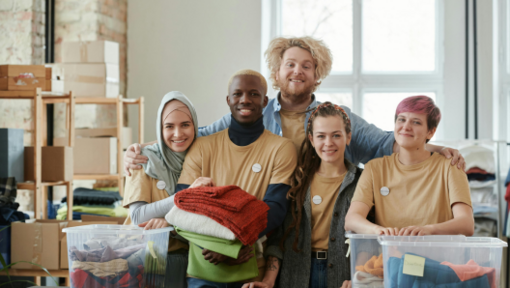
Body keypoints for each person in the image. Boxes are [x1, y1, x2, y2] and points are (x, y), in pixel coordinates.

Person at [123, 36, 466, 175]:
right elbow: (194, 137)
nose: (297, 71)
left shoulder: (336, 117)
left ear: (317, 76)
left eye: (306, 65)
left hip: (320, 216)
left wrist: (432, 147)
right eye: (290, 64)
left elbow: (381, 144)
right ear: (276, 71)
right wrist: (142, 150)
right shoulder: (254, 114)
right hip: (268, 215)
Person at [175, 69, 297, 288]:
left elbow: (275, 208)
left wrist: (234, 245)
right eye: (238, 94)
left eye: (253, 94)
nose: (245, 100)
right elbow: (183, 206)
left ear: (265, 101)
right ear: (228, 99)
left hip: (252, 272)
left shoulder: (282, 148)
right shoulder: (202, 147)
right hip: (202, 271)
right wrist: (226, 247)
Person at [242, 102, 356, 288]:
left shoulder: (363, 181)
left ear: (348, 137)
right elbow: (280, 238)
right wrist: (269, 281)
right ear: (311, 139)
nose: (328, 143)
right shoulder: (298, 181)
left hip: (344, 277)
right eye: (321, 136)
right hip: (296, 274)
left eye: (336, 135)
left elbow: (368, 239)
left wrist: (361, 276)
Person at [344, 95, 474, 237]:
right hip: (391, 256)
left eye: (416, 122)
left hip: (438, 258)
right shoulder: (374, 168)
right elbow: (351, 220)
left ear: (431, 132)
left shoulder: (450, 166)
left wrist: (429, 230)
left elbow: (466, 224)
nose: (406, 127)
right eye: (401, 119)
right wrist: (379, 231)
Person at [122, 91, 199, 288]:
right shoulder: (143, 160)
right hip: (143, 260)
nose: (178, 134)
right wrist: (185, 197)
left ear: (195, 126)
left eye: (185, 125)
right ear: (160, 128)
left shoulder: (202, 159)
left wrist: (169, 224)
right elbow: (139, 217)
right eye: (169, 126)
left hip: (191, 261)